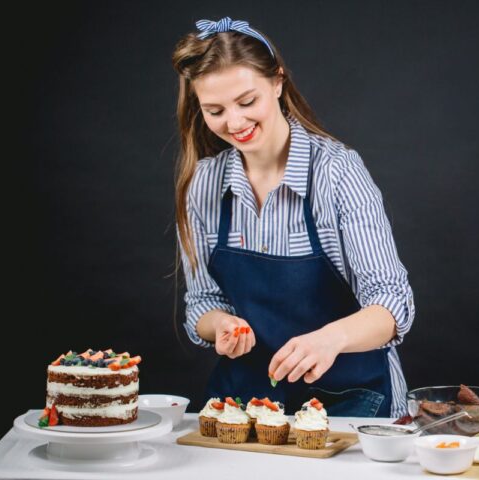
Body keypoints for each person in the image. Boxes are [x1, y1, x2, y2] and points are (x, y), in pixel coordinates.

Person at [171, 17, 415, 417]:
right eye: (214, 110)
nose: (234, 123)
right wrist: (221, 326)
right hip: (245, 404)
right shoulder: (203, 184)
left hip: (351, 400)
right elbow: (202, 302)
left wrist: (330, 339)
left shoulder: (337, 172)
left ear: (278, 82)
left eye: (247, 102)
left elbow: (392, 302)